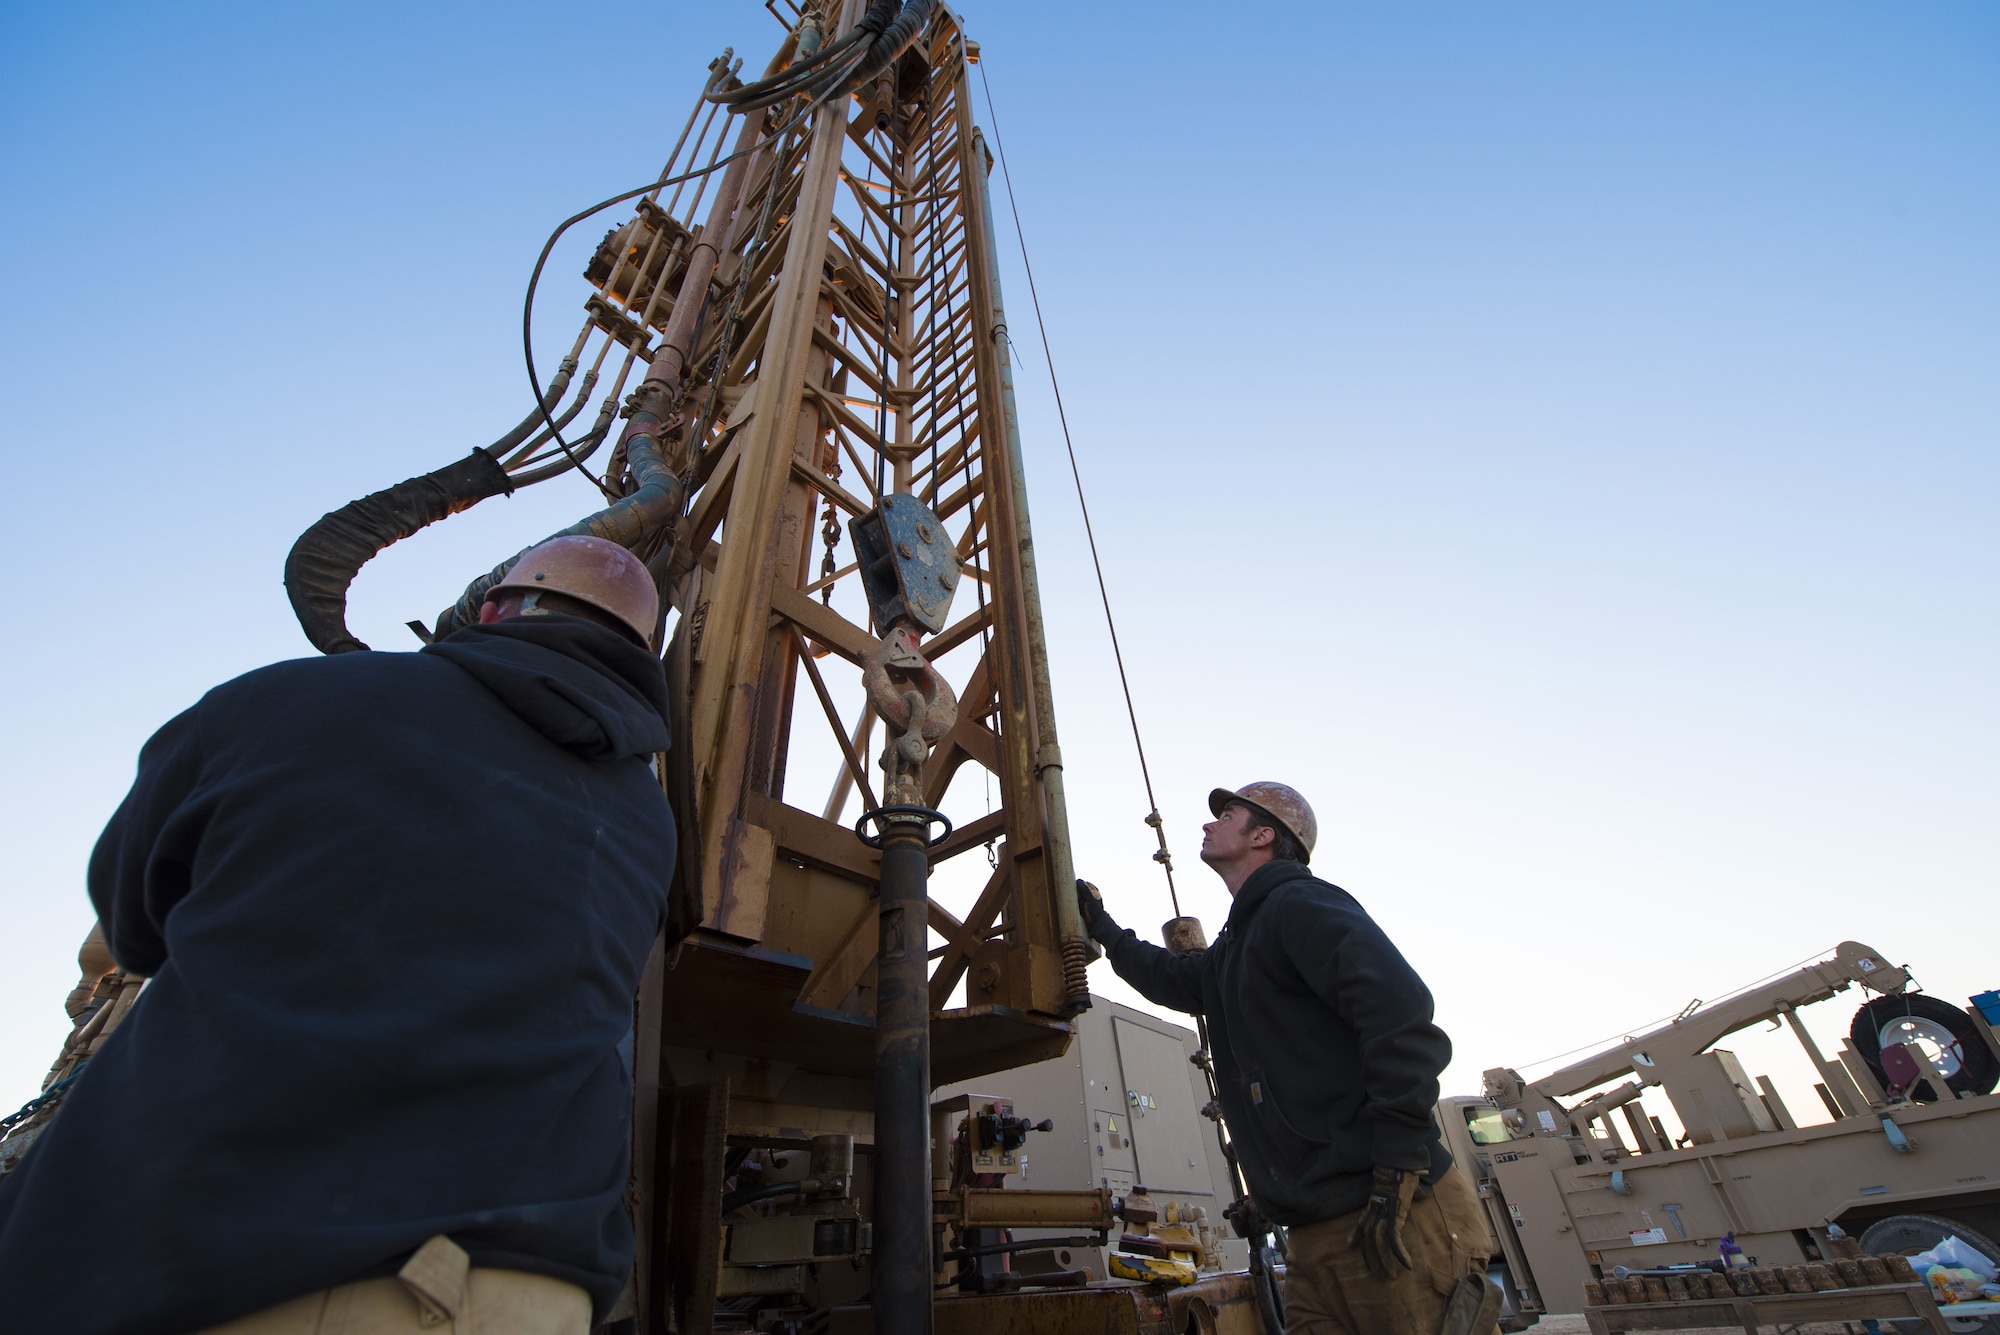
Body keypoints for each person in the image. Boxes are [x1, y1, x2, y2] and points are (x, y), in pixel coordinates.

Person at [0, 535, 678, 1335]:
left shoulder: (297, 696)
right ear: (643, 655)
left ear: (491, 609)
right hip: (534, 1286)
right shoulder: (651, 822)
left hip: (221, 1253)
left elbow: (131, 926)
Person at [1077, 782, 1499, 1335]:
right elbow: (1175, 979)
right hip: (1311, 1234)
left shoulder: (1299, 904)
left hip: (1392, 1211)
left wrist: (1397, 1163)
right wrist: (1103, 928)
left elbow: (1401, 1017)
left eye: (1227, 815)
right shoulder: (1238, 945)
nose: (1208, 825)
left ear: (1263, 835)